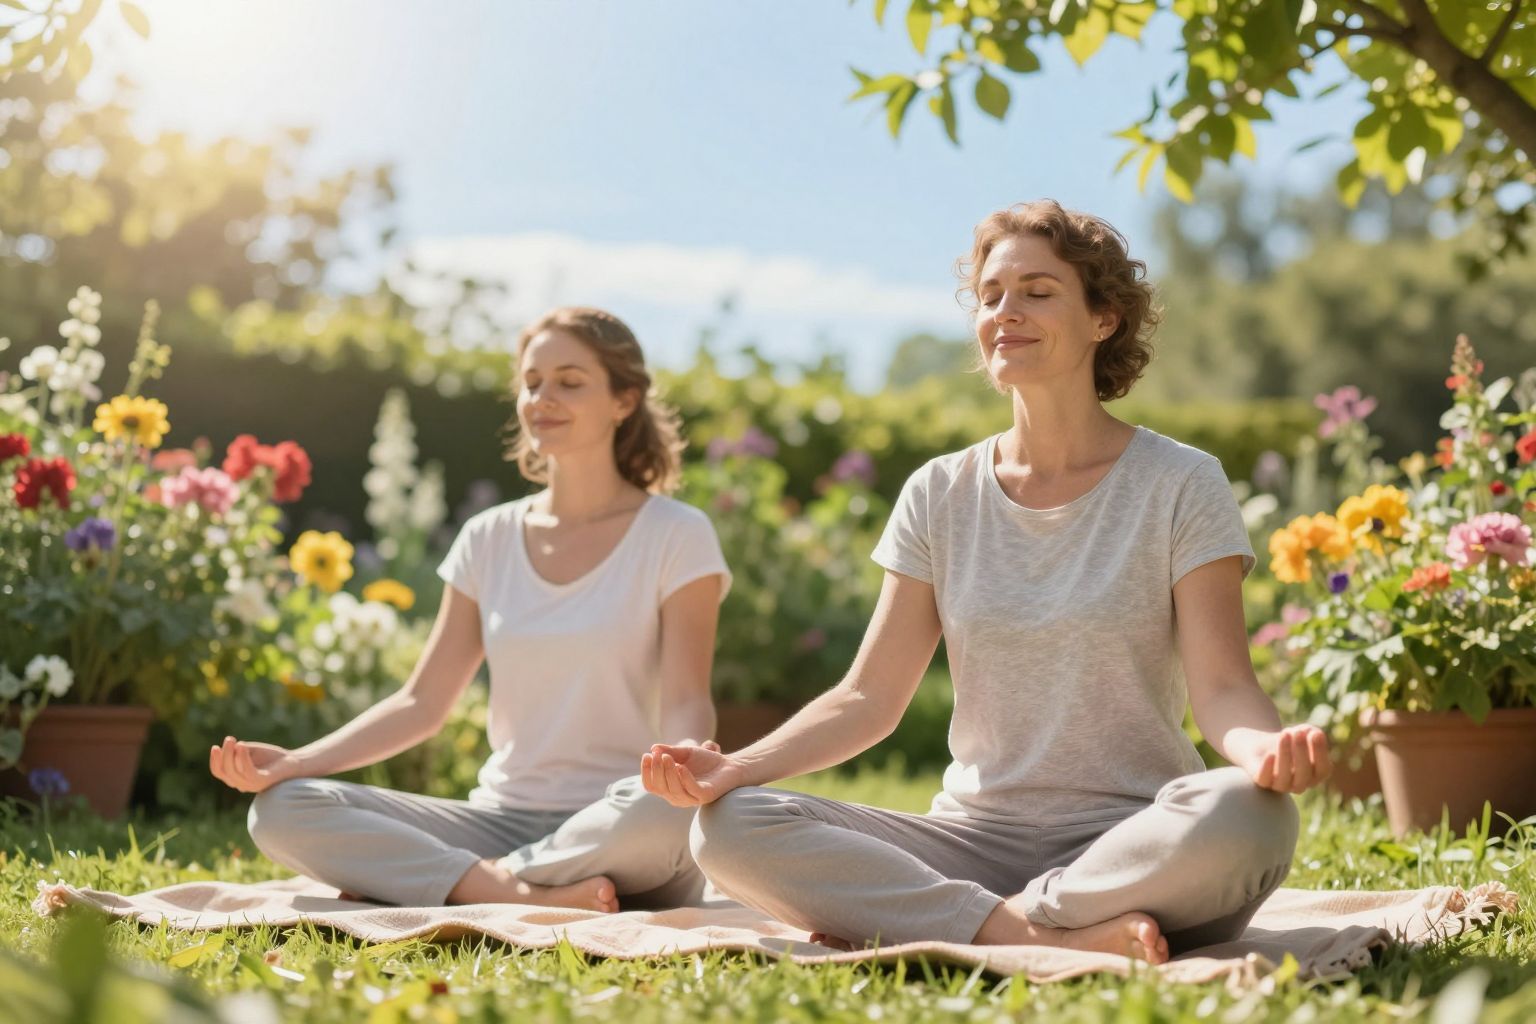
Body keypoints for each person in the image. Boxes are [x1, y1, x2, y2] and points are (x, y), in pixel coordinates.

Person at [642, 201, 1330, 962]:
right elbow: (868, 698)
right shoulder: (939, 492)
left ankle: (961, 919)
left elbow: (1224, 688)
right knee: (731, 826)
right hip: (968, 840)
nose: (1007, 312)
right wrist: (735, 768)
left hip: (1133, 844)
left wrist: (1265, 750)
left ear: (1104, 318)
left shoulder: (1181, 483)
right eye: (992, 295)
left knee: (1251, 815)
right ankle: (1028, 931)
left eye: (1038, 292)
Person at [210, 306, 731, 912]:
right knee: (281, 810)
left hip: (617, 820)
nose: (543, 398)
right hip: (496, 821)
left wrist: (683, 767)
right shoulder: (487, 538)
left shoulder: (676, 534)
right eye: (531, 382)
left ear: (623, 400)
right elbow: (422, 702)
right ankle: (517, 890)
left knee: (665, 821)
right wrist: (298, 762)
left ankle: (453, 881)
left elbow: (688, 697)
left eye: (570, 381)